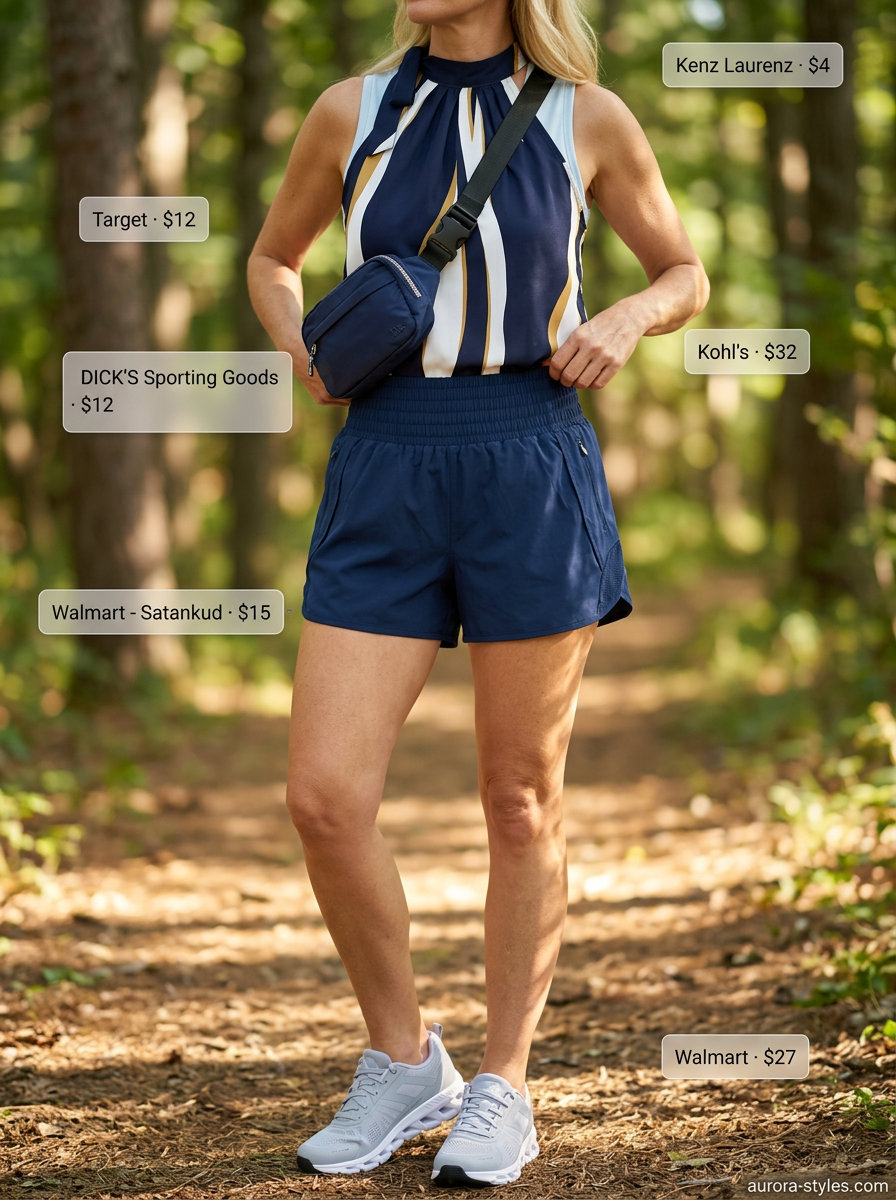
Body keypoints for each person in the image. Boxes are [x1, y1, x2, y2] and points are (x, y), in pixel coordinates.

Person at [248, 0, 708, 1187]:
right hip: (383, 461)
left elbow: (684, 270)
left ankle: (503, 1086)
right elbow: (270, 257)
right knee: (323, 794)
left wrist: (626, 314)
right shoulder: (349, 111)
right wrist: (304, 348)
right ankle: (404, 1065)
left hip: (528, 457)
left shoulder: (584, 117)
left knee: (518, 796)